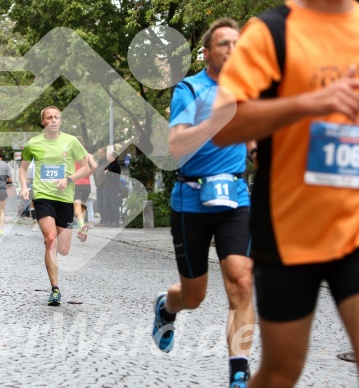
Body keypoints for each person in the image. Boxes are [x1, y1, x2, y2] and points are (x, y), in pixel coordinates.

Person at [211, 2, 359, 386]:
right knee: (282, 370)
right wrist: (313, 102)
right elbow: (222, 124)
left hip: (354, 226)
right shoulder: (272, 30)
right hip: (290, 230)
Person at [151, 18, 255, 388]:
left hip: (234, 198)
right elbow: (177, 146)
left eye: (236, 44)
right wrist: (217, 119)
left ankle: (239, 373)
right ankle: (167, 306)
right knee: (193, 296)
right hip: (191, 200)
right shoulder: (190, 89)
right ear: (208, 52)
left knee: (242, 282)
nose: (231, 49)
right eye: (223, 44)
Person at [19, 106, 90, 306]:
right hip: (43, 196)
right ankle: (55, 289)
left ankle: (55, 263)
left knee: (64, 249)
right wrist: (25, 187)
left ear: (60, 120)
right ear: (43, 121)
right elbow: (23, 169)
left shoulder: (72, 141)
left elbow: (85, 167)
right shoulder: (33, 144)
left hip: (65, 198)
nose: (53, 120)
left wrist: (68, 179)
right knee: (50, 240)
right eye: (49, 117)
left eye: (56, 117)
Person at [73, 136, 97, 242]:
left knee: (77, 206)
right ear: (83, 145)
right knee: (82, 205)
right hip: (87, 184)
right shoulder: (88, 155)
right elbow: (95, 166)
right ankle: (81, 229)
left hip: (76, 183)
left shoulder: (72, 156)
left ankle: (81, 226)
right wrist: (87, 174)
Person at [103, 151, 122, 228]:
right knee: (109, 205)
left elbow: (108, 175)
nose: (108, 157)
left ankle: (115, 221)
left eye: (110, 155)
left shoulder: (115, 165)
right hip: (108, 187)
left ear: (113, 157)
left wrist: (106, 173)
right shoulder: (111, 165)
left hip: (113, 187)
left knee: (114, 204)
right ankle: (110, 220)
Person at [92, 147, 109, 226]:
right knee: (99, 204)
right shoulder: (99, 162)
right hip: (98, 186)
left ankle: (105, 221)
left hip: (105, 186)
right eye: (99, 152)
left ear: (105, 153)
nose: (99, 154)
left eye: (101, 152)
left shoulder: (107, 162)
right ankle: (102, 220)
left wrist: (104, 182)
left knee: (105, 204)